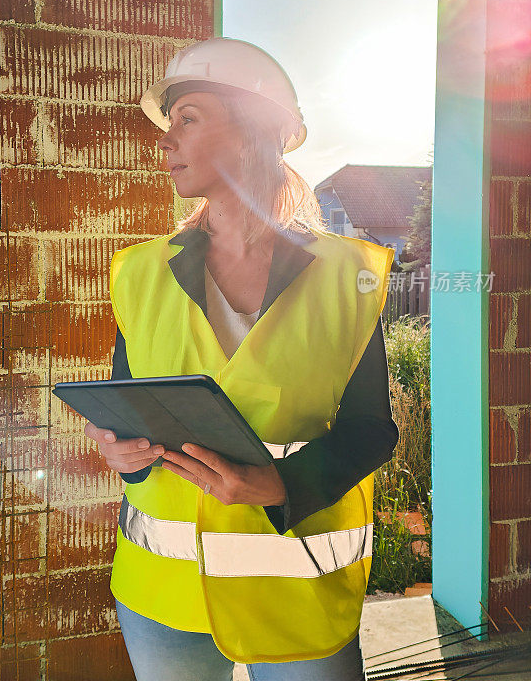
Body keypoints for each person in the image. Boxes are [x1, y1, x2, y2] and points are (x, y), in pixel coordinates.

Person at [84, 37, 400, 681]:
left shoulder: (349, 275)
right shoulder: (139, 273)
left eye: (188, 119)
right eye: (169, 124)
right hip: (163, 599)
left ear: (255, 134)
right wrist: (120, 454)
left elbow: (372, 430)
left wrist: (283, 485)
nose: (165, 141)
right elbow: (128, 413)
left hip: (299, 593)